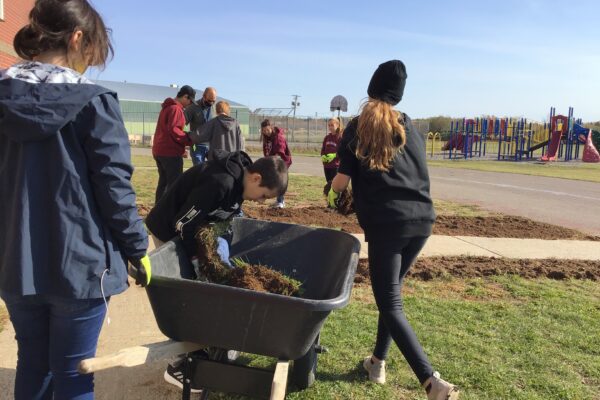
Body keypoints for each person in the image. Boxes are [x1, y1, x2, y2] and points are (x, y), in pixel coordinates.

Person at [0, 1, 151, 399]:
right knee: (74, 374)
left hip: (15, 263)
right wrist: (138, 248)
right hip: (80, 268)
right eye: (91, 54)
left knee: (32, 363)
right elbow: (115, 190)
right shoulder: (95, 103)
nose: (89, 64)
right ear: (77, 38)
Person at [328, 60, 460, 400]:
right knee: (393, 296)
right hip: (422, 221)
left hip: (389, 224)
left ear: (371, 90)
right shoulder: (410, 127)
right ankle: (377, 363)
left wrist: (331, 191)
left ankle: (432, 383)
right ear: (399, 96)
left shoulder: (358, 127)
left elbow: (340, 182)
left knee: (389, 303)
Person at [145, 150, 288, 261]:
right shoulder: (219, 184)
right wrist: (195, 258)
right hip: (166, 228)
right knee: (177, 280)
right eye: (264, 196)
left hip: (187, 229)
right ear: (256, 178)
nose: (261, 201)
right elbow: (183, 223)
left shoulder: (242, 185)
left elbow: (224, 215)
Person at [152, 84, 196, 203]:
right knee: (174, 184)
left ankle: (158, 210)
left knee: (163, 182)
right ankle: (168, 212)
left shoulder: (167, 107)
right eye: (190, 101)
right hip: (170, 153)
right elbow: (175, 130)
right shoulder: (176, 109)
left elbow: (170, 129)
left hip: (159, 150)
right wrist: (189, 138)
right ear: (185, 97)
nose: (190, 104)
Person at [260, 119, 292, 208]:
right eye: (264, 130)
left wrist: (274, 164)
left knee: (280, 182)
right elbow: (267, 151)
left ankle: (281, 202)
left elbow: (279, 153)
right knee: (276, 182)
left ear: (272, 128)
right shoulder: (267, 138)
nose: (266, 132)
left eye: (268, 130)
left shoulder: (278, 137)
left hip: (281, 162)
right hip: (273, 162)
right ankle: (279, 200)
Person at [185, 87, 217, 166]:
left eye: (214, 101)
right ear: (204, 96)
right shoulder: (192, 107)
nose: (211, 103)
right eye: (209, 100)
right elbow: (182, 123)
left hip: (211, 145)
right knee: (198, 169)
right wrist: (189, 136)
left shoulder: (215, 108)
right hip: (196, 145)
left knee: (212, 170)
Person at [320, 117, 343, 183]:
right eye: (329, 125)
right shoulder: (327, 138)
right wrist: (323, 156)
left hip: (335, 166)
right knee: (329, 183)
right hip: (327, 166)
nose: (330, 127)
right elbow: (323, 149)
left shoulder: (340, 138)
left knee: (335, 184)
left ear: (338, 125)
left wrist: (334, 155)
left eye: (332, 125)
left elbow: (342, 152)